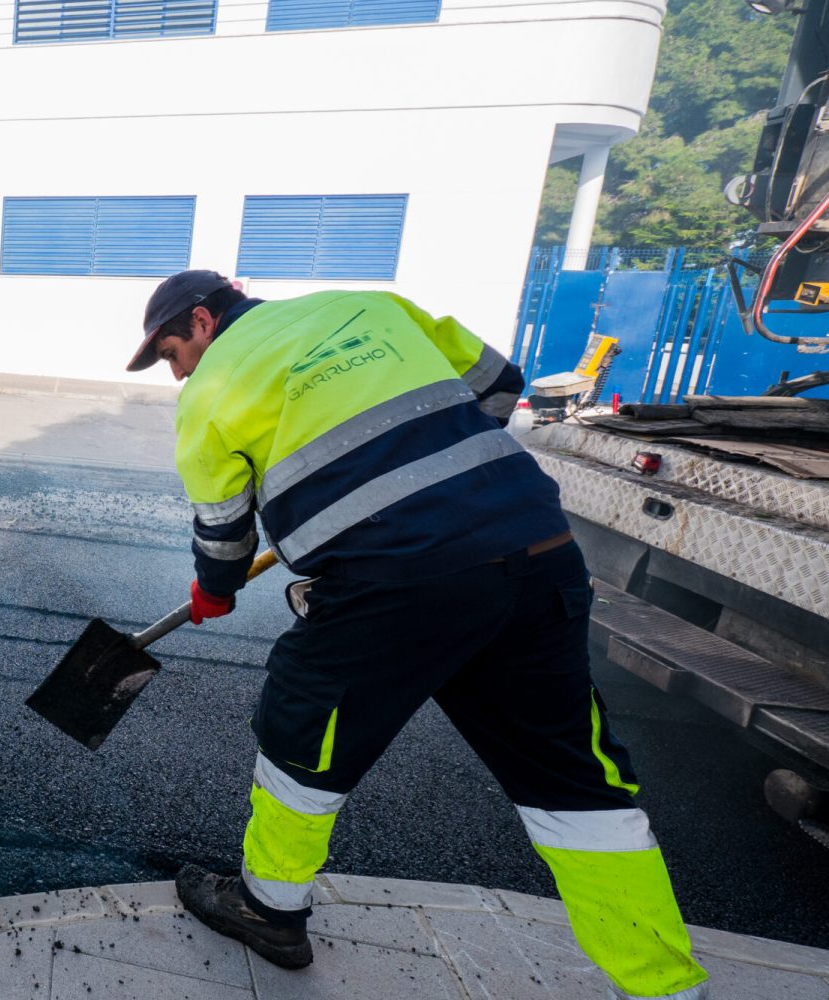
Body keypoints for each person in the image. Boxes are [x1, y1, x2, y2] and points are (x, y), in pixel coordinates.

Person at [133, 270, 708, 1000]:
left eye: (172, 352)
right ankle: (664, 985)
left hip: (397, 579)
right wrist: (444, 486)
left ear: (203, 322)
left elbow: (223, 530)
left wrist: (213, 593)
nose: (177, 371)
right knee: (572, 780)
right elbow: (501, 383)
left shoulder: (210, 393)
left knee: (302, 726)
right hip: (535, 552)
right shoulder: (369, 305)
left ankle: (269, 908)